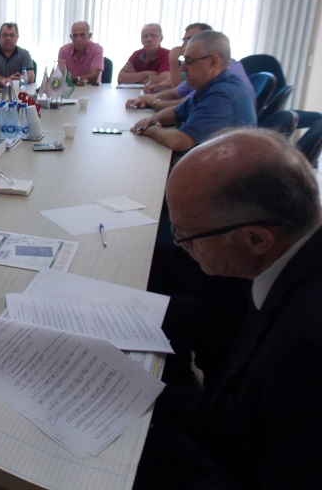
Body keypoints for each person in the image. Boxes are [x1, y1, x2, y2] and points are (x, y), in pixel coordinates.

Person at [134, 128, 322, 489]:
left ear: (256, 239)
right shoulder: (290, 262)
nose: (180, 246)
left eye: (186, 236)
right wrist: (135, 392)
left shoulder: (306, 348)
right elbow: (236, 411)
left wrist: (147, 446)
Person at [131, 30, 256, 152]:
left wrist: (149, 129)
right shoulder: (212, 85)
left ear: (213, 62)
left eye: (189, 61)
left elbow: (181, 141)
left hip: (221, 164)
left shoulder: (222, 95)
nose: (182, 68)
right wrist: (152, 120)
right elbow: (176, 112)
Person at [127, 23, 255, 111]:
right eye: (185, 40)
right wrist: (147, 99)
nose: (186, 44)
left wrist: (151, 101)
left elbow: (183, 103)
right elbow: (177, 92)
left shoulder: (225, 71)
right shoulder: (203, 67)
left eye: (191, 39)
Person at [56, 21, 104, 86]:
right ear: (71, 37)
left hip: (91, 89)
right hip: (70, 89)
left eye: (82, 35)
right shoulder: (64, 50)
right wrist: (64, 75)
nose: (78, 39)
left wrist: (76, 79)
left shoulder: (97, 49)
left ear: (89, 36)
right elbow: (60, 75)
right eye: (75, 35)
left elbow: (94, 76)